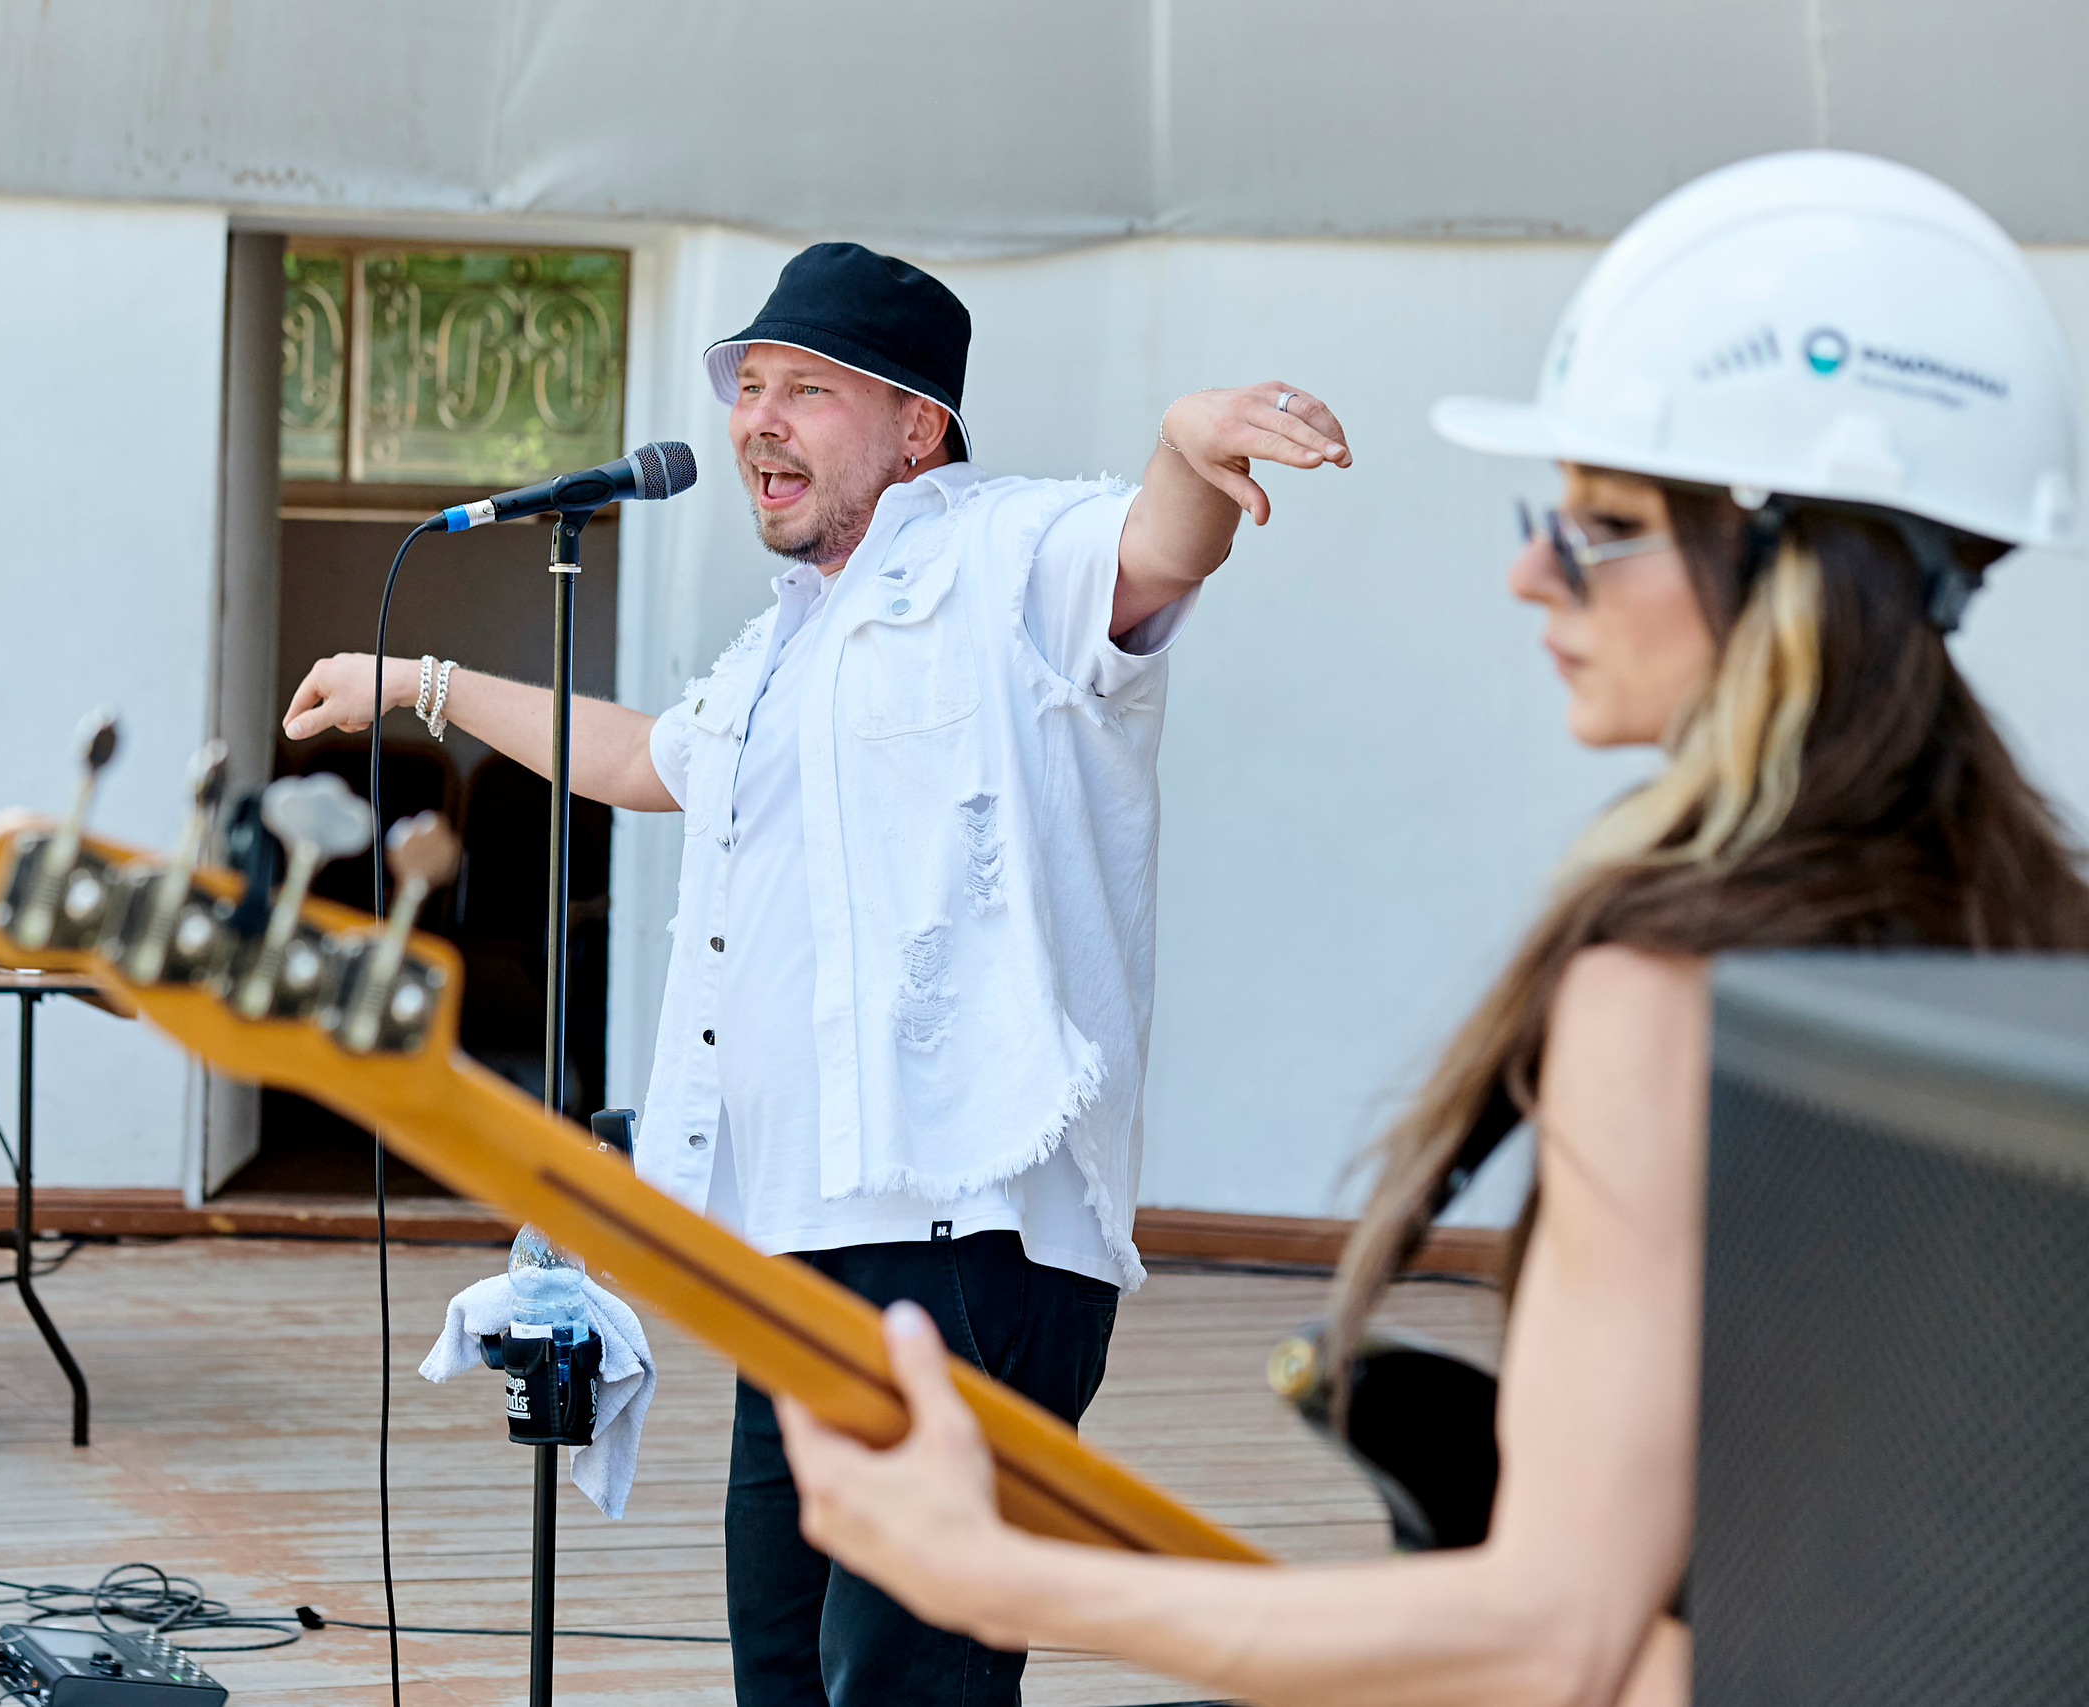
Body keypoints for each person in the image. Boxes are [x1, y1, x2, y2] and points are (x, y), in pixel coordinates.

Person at [772, 152, 2089, 1707]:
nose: (1532, 568)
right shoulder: (2027, 936)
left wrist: (1000, 1573)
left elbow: (1552, 1632)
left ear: (1794, 567)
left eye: (1597, 525)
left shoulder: (1664, 990)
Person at [283, 240, 1352, 1705]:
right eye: (748, 390)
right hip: (792, 1245)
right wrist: (416, 685)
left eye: (806, 390)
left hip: (967, 1239)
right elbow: (644, 761)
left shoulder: (1005, 552)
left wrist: (1184, 449)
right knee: (785, 1671)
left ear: (920, 427)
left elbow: (1154, 552)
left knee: (907, 1679)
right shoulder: (788, 643)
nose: (757, 421)